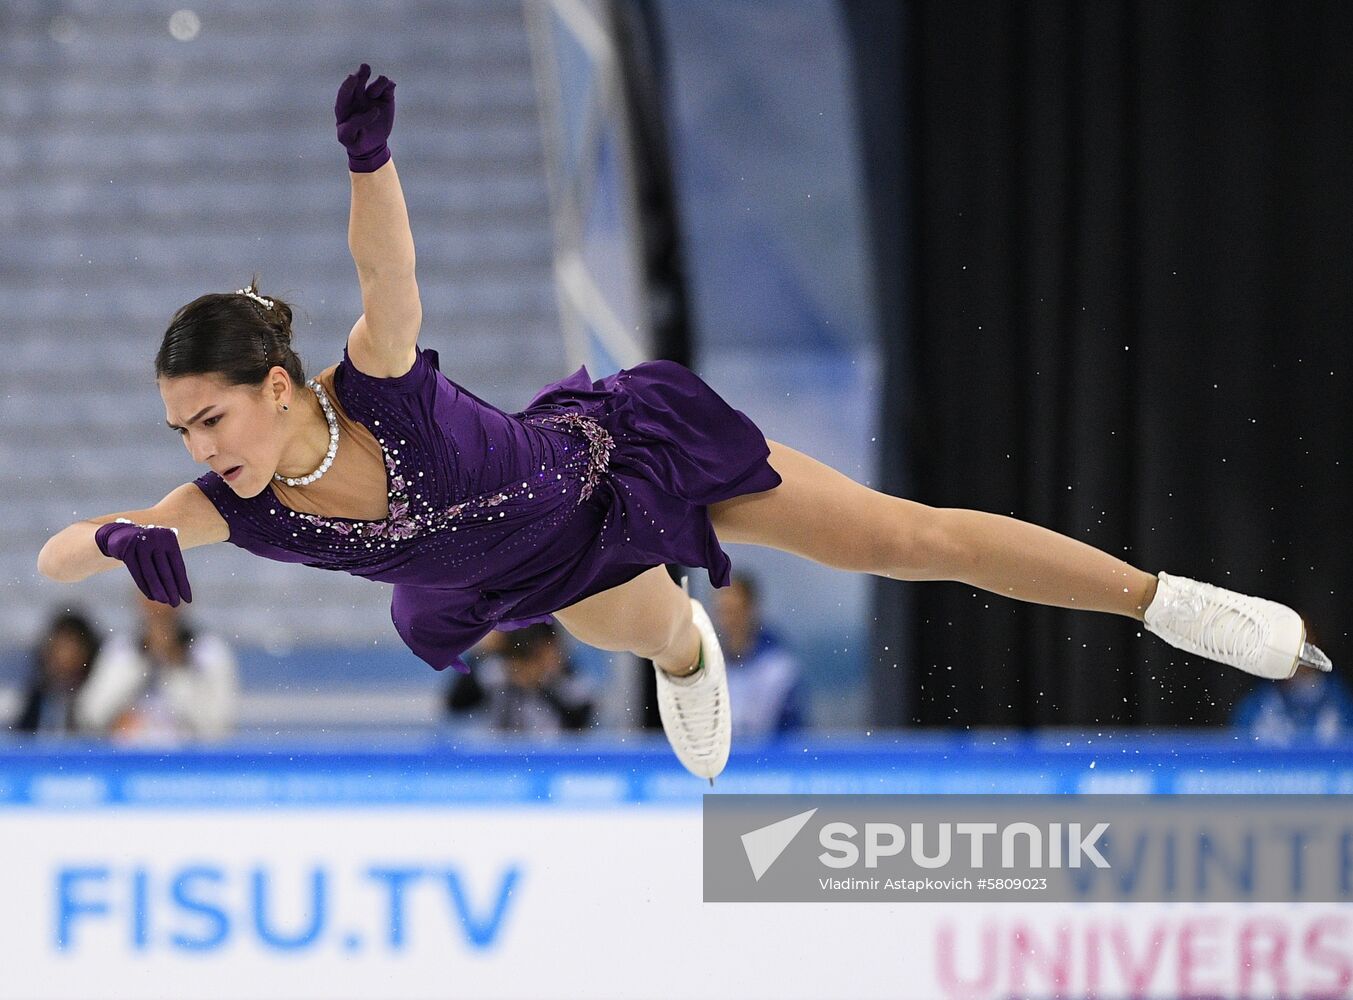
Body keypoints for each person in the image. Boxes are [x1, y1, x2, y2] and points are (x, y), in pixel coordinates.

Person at [36, 64, 1333, 783]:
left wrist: (370, 162)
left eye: (209, 417)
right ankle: (688, 656)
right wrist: (114, 540)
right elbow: (57, 558)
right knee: (656, 631)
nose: (199, 449)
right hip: (545, 573)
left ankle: (1167, 601)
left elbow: (389, 276)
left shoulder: (372, 384)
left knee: (907, 539)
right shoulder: (222, 506)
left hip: (618, 458)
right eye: (180, 433)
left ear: (275, 384)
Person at [75, 591, 239, 745]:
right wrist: (141, 660)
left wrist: (175, 665)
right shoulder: (121, 650)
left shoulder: (209, 652)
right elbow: (90, 715)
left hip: (189, 756)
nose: (158, 604)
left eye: (166, 592)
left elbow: (218, 725)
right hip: (128, 757)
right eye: (150, 593)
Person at [446, 621, 596, 736]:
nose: (527, 669)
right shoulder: (496, 673)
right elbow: (456, 704)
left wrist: (546, 684)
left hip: (552, 756)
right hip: (502, 756)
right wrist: (480, 652)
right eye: (520, 659)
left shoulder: (564, 678)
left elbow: (582, 722)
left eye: (535, 658)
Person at [713, 572, 804, 738]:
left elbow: (794, 734)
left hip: (770, 753)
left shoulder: (778, 669)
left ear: (751, 609)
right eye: (723, 612)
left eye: (734, 611)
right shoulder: (710, 664)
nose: (729, 621)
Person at [11, 608, 102, 736]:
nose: (62, 657)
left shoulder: (95, 698)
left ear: (86, 653)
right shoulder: (36, 699)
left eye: (70, 649)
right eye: (58, 648)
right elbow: (21, 739)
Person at [1232, 670, 1353, 746]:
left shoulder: (1338, 699)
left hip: (1328, 774)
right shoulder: (1259, 702)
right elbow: (1236, 749)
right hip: (1273, 775)